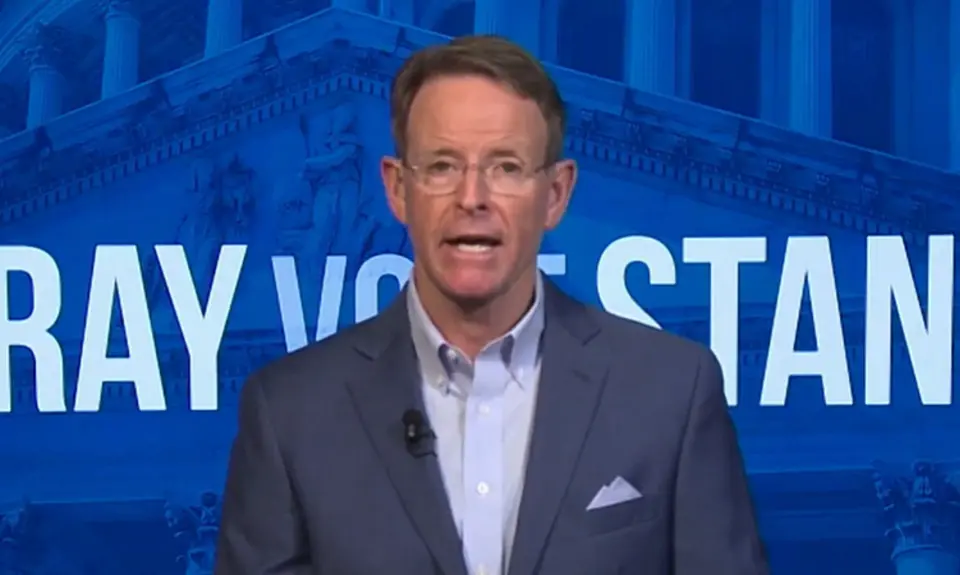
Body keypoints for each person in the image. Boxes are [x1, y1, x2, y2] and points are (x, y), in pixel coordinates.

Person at [214, 35, 770, 575]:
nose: (472, 198)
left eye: (505, 166)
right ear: (397, 189)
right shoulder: (290, 411)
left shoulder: (670, 391)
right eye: (441, 166)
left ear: (555, 194)